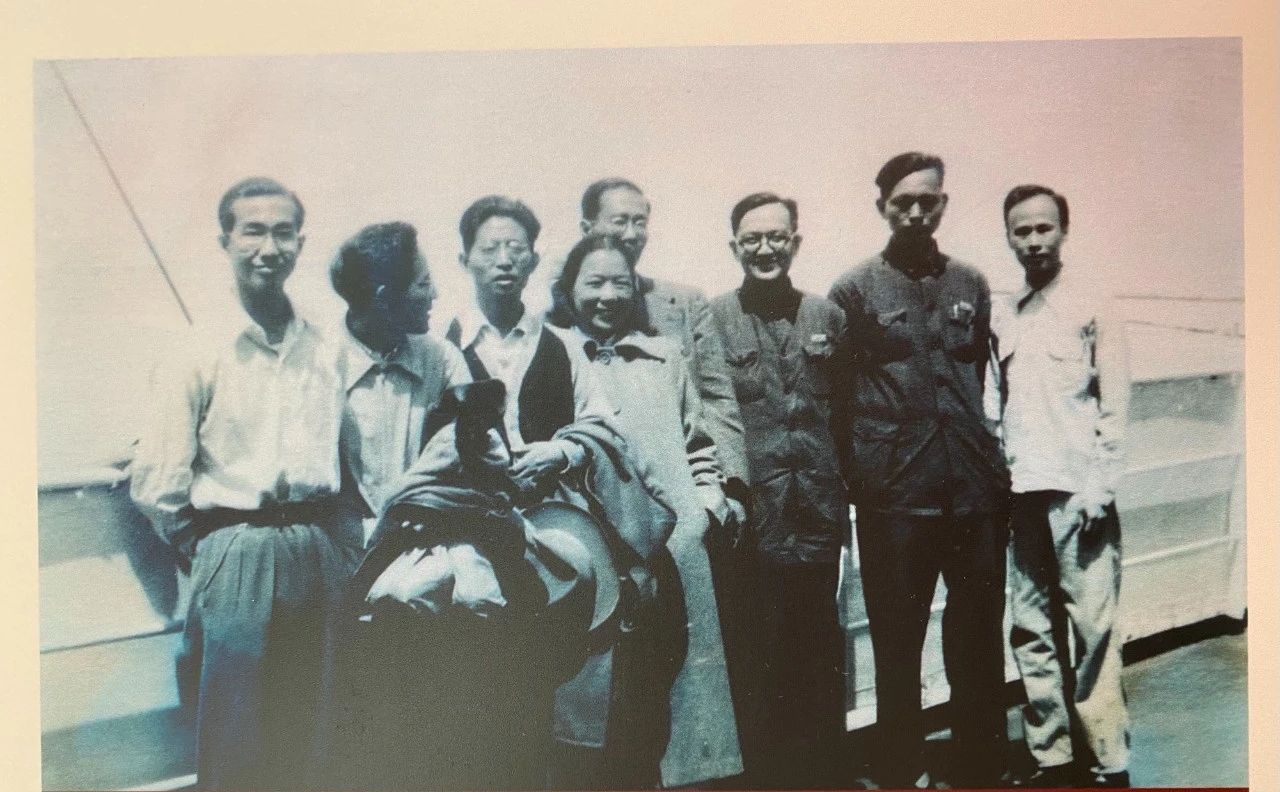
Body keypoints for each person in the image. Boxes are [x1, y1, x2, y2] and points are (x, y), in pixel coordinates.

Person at [130, 177, 358, 790]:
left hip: (318, 546)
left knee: (321, 735)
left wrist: (339, 548)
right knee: (237, 738)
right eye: (253, 231)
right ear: (225, 241)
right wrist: (208, 547)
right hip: (235, 547)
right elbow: (157, 478)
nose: (269, 247)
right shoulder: (197, 347)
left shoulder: (326, 346)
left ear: (301, 243)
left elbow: (344, 458)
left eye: (284, 233)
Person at [827, 152, 1011, 788]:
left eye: (926, 201)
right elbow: (839, 396)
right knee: (897, 644)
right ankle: (901, 770)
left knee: (978, 636)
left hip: (975, 493)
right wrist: (865, 480)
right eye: (901, 202)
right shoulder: (853, 291)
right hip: (896, 501)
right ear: (882, 207)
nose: (914, 212)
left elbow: (979, 378)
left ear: (942, 205)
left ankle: (980, 767)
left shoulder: (970, 284)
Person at [549, 233, 744, 788]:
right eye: (594, 282)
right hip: (589, 555)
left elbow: (698, 442)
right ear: (569, 290)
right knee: (592, 699)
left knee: (671, 694)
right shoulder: (553, 356)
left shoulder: (665, 357)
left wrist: (706, 501)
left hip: (670, 548)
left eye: (621, 283)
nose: (608, 295)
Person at [987, 185, 1132, 788]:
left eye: (1044, 228)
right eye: (1021, 231)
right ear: (1009, 237)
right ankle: (1052, 756)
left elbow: (1115, 405)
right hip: (1022, 493)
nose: (1033, 241)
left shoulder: (1093, 305)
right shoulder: (1005, 312)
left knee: (1094, 630)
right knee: (1031, 630)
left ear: (1063, 231)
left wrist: (1101, 486)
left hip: (1080, 496)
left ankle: (1109, 760)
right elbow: (995, 404)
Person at [708, 192, 849, 788]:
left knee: (820, 651)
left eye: (776, 237)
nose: (765, 249)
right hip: (753, 522)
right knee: (757, 657)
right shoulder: (713, 319)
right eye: (752, 239)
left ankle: (824, 778)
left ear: (795, 242)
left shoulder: (828, 318)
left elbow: (847, 414)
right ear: (734, 246)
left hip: (816, 517)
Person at [577, 177, 749, 523]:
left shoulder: (684, 304)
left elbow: (716, 399)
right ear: (587, 228)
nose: (631, 234)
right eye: (619, 221)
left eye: (639, 222)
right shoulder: (566, 306)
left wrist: (731, 488)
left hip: (679, 491)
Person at [443, 195, 614, 498]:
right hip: (466, 508)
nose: (504, 261)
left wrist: (561, 452)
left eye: (516, 248)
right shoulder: (442, 348)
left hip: (557, 508)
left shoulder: (565, 345)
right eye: (489, 249)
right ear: (464, 261)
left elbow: (602, 427)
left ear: (534, 261)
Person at [329, 221, 471, 547]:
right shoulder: (321, 364)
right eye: (424, 284)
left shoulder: (442, 359)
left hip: (427, 538)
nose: (434, 294)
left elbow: (475, 451)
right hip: (339, 547)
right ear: (384, 299)